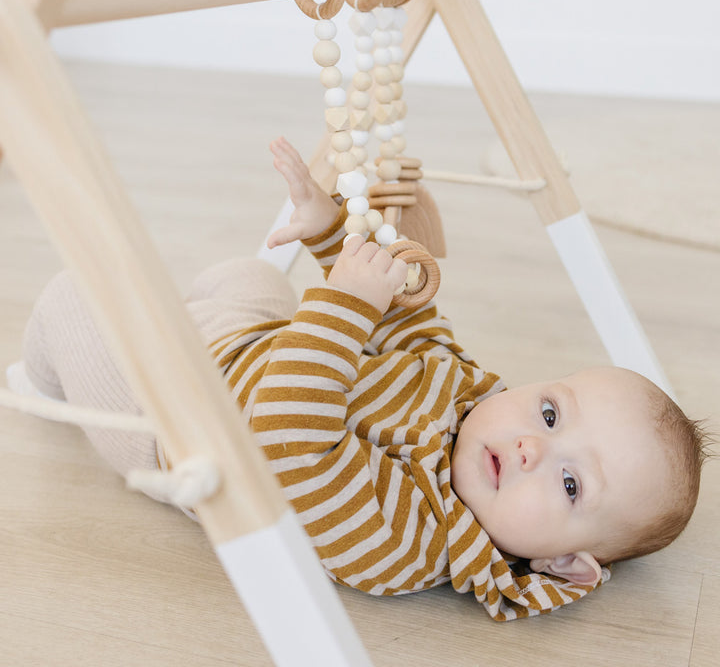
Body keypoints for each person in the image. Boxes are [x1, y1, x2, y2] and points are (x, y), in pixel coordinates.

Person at [11, 137, 707, 621]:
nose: (533, 447)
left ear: (563, 565)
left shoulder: (405, 542)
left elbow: (285, 443)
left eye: (569, 484)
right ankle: (191, 308)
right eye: (552, 415)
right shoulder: (471, 399)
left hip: (176, 416)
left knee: (73, 295)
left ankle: (45, 382)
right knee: (250, 275)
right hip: (253, 343)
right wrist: (326, 234)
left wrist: (345, 305)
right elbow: (408, 322)